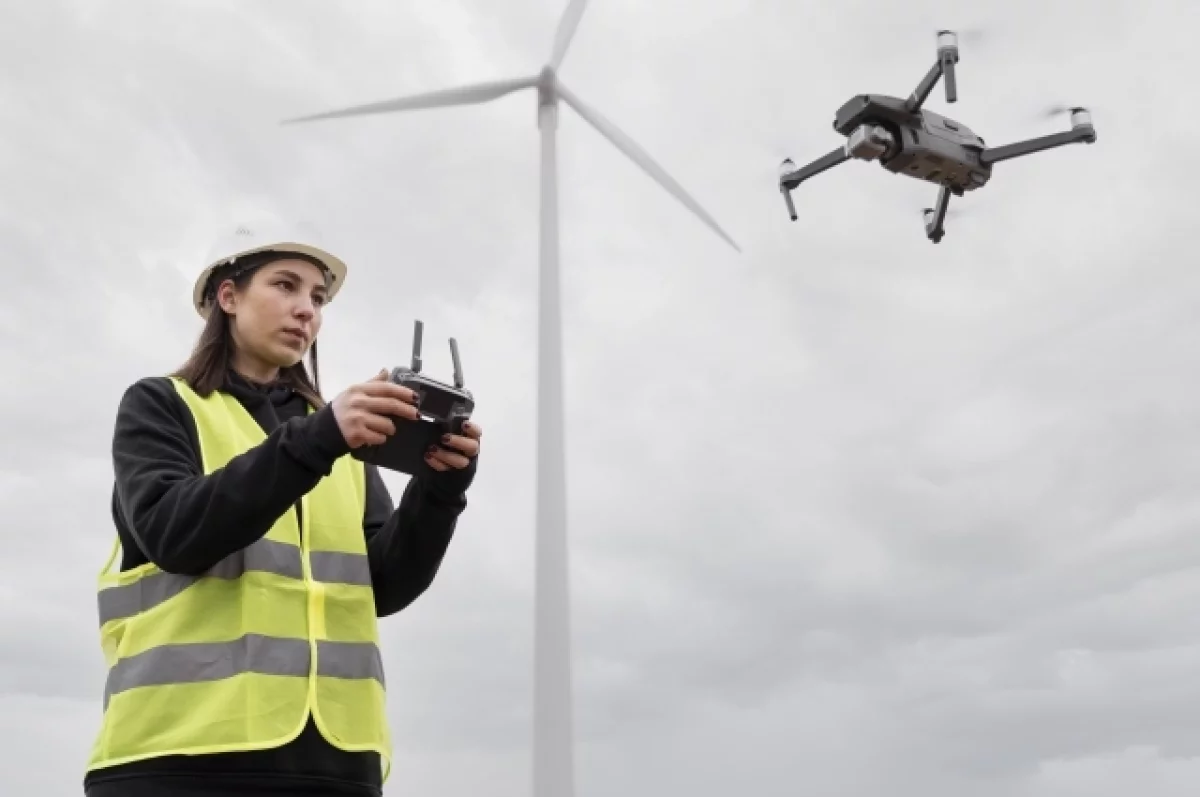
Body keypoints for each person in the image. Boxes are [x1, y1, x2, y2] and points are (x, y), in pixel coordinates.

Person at [82, 224, 482, 797]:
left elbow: (384, 587)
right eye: (286, 286)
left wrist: (439, 493)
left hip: (337, 764)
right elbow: (175, 535)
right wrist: (318, 438)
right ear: (228, 296)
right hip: (179, 759)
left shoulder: (339, 436)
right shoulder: (162, 404)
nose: (306, 310)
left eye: (318, 298)